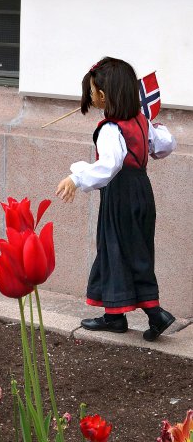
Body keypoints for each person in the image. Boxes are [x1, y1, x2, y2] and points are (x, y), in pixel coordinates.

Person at [56, 57, 176, 342]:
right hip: (142, 192)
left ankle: (152, 313)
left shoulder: (111, 129)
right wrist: (151, 128)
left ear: (106, 94)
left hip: (120, 195)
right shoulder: (141, 121)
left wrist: (77, 177)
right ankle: (116, 315)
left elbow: (109, 166)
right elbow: (165, 146)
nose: (93, 97)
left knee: (113, 249)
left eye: (95, 92)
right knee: (137, 251)